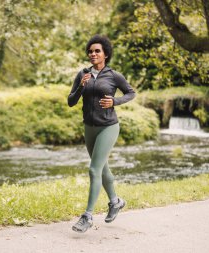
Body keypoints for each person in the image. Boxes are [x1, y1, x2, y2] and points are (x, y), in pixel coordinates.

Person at [68, 34, 136, 233]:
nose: (93, 54)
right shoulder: (82, 74)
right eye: (90, 51)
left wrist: (115, 101)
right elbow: (71, 101)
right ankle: (115, 202)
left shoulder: (114, 75)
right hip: (89, 127)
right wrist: (81, 87)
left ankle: (87, 216)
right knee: (103, 169)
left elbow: (131, 93)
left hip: (108, 126)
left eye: (97, 51)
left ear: (105, 54)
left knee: (93, 170)